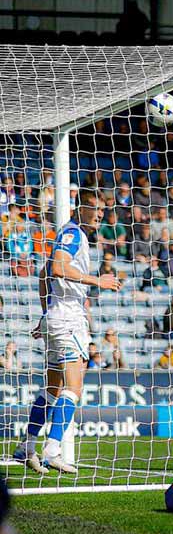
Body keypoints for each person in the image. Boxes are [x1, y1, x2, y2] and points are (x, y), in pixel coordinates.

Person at [15, 189, 122, 474]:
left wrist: (45, 312)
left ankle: (26, 448)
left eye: (102, 210)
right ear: (81, 207)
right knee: (73, 388)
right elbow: (58, 267)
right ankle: (52, 450)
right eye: (95, 208)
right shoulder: (74, 234)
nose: (100, 214)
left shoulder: (71, 233)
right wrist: (96, 280)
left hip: (57, 315)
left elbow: (44, 274)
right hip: (67, 318)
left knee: (53, 390)